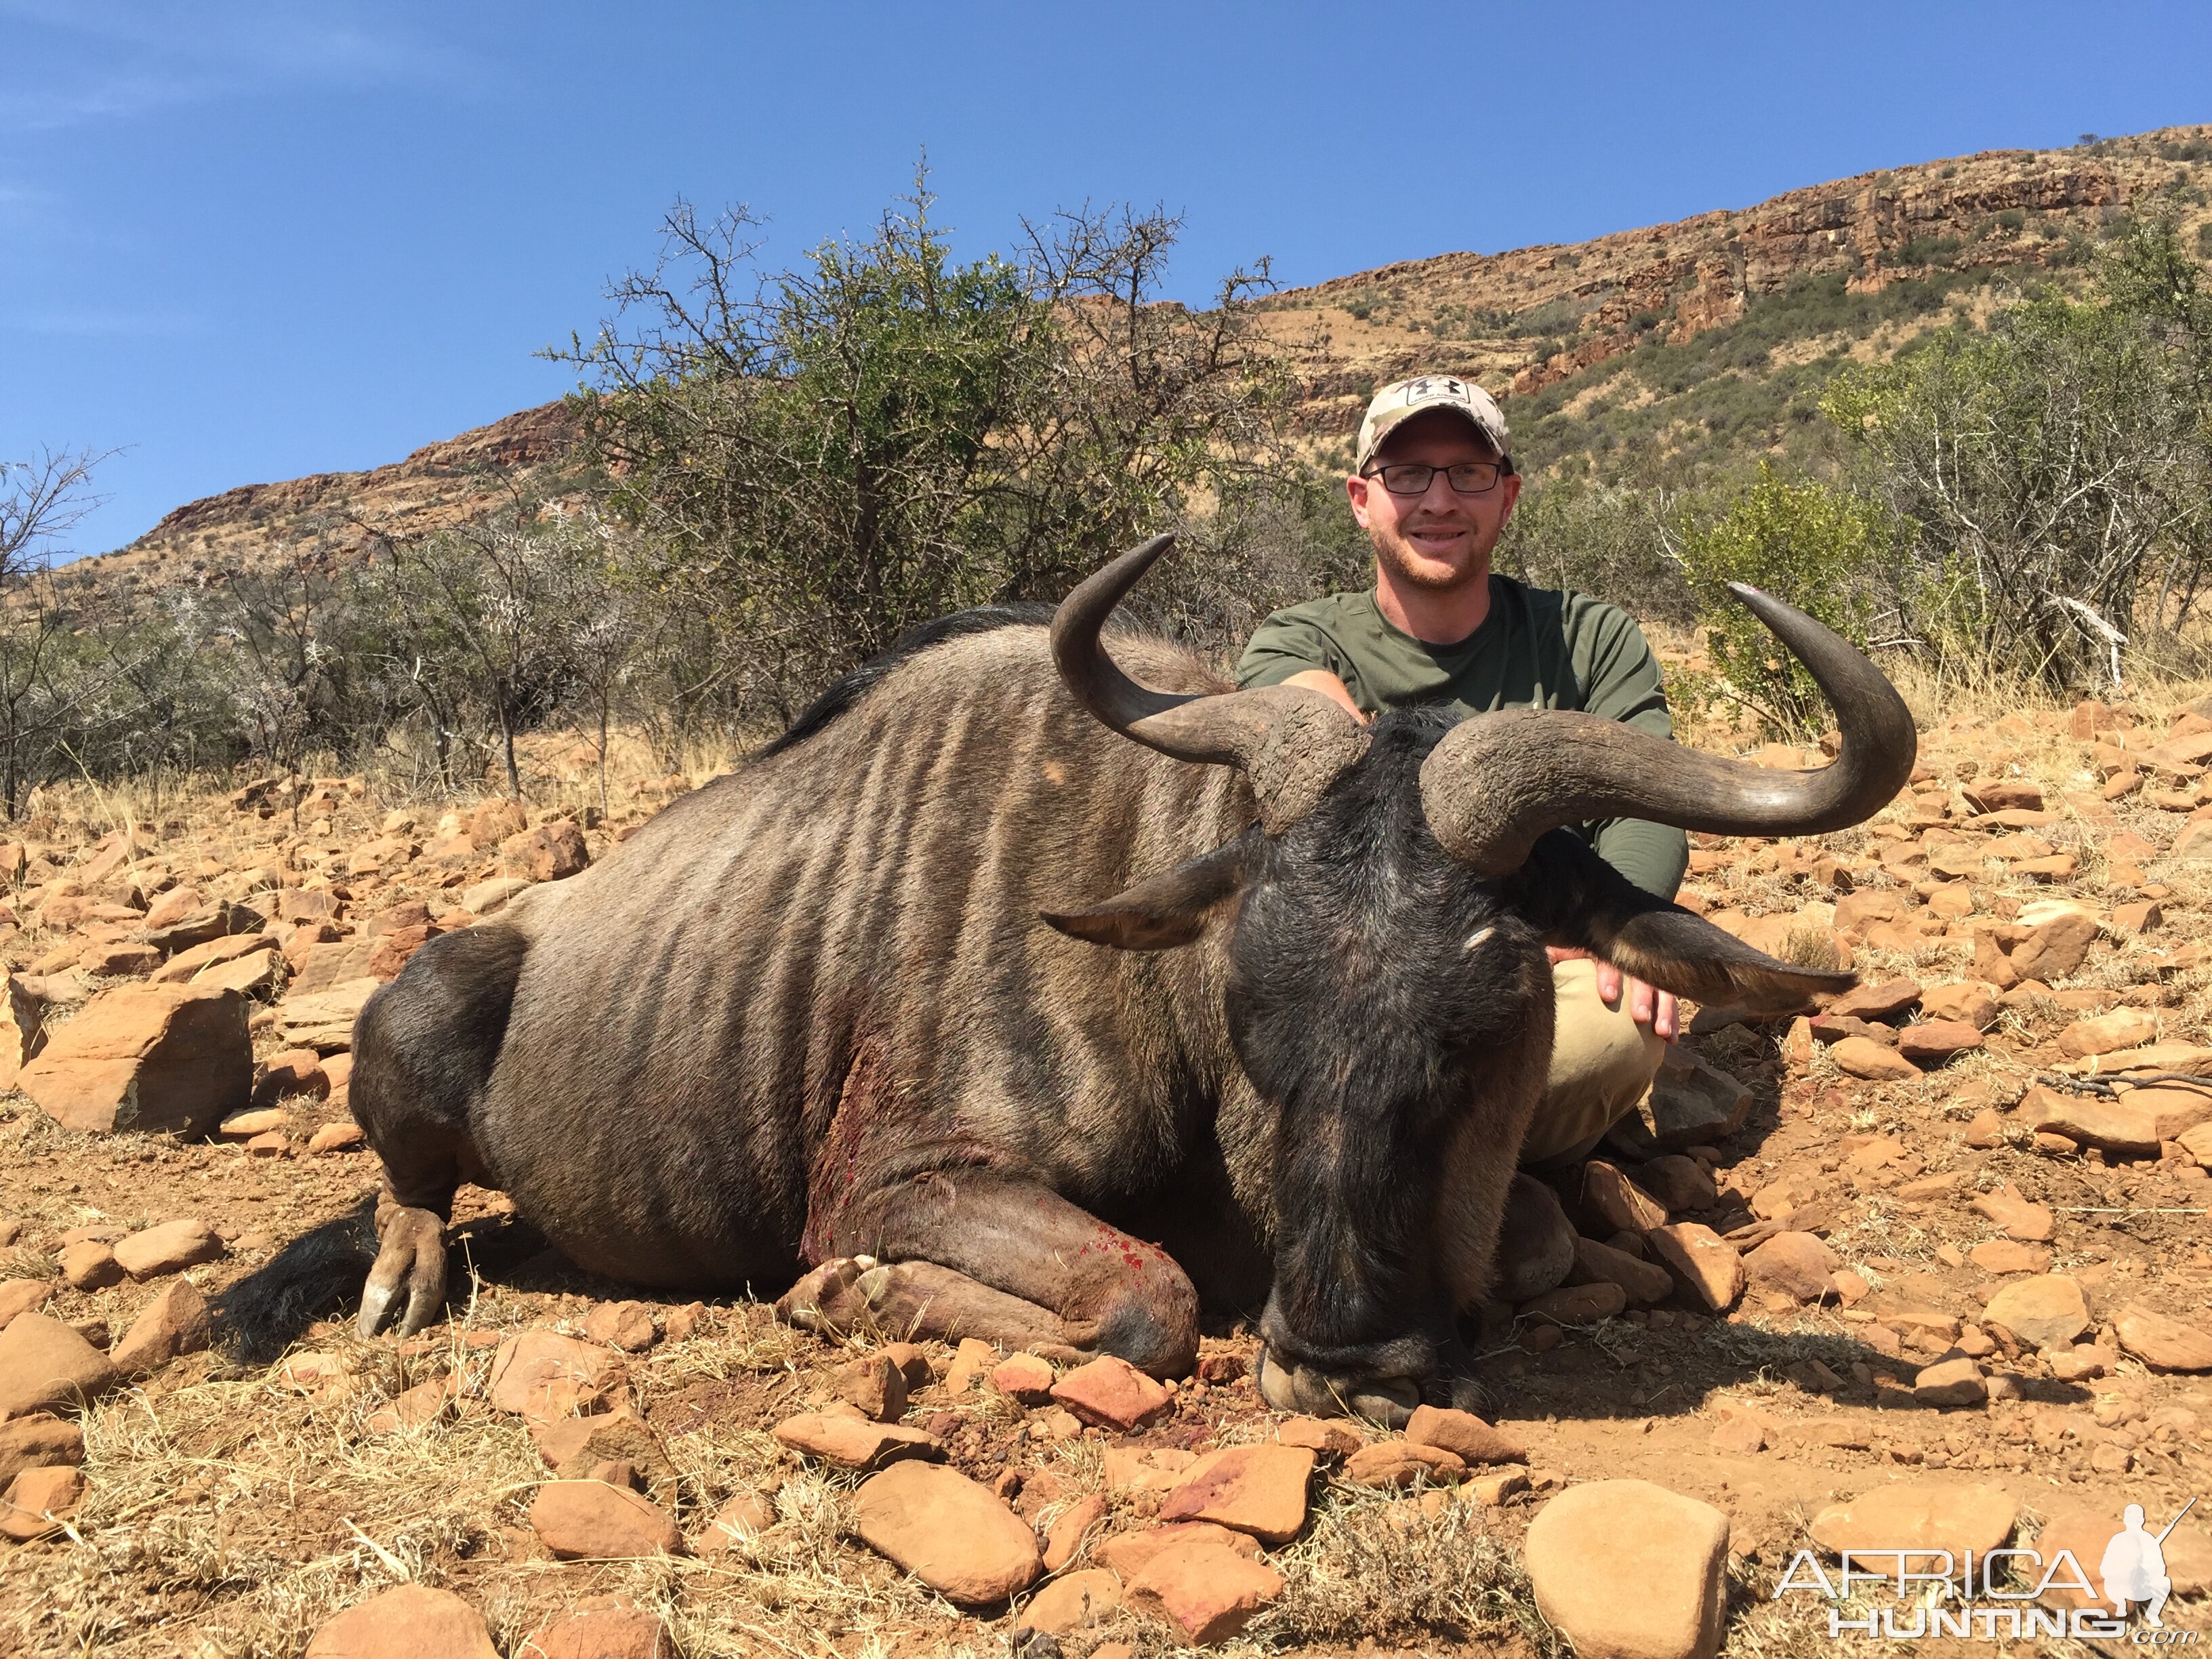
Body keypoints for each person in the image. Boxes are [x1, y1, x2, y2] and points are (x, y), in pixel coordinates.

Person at [1237, 373, 1687, 1181]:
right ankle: (1461, 1175)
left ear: (1506, 497)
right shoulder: (1297, 639)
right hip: (1355, 981)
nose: (1439, 500)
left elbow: (1649, 812)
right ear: (1360, 498)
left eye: (1468, 474)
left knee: (1617, 1033)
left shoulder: (1592, 639)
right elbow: (1321, 732)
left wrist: (1612, 934)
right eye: (1407, 474)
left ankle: (1362, 1164)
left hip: (1535, 970)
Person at [2100, 1504, 2173, 1628]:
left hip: (2142, 1585)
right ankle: (2122, 1606)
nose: (2134, 1523)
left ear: (2142, 1521)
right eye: (2130, 1520)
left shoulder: (2149, 1540)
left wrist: (2147, 1568)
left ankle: (2153, 1614)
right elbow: (2106, 1565)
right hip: (2119, 1585)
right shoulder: (2118, 1539)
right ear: (2125, 1521)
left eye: (2137, 1520)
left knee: (2165, 1582)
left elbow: (2160, 1568)